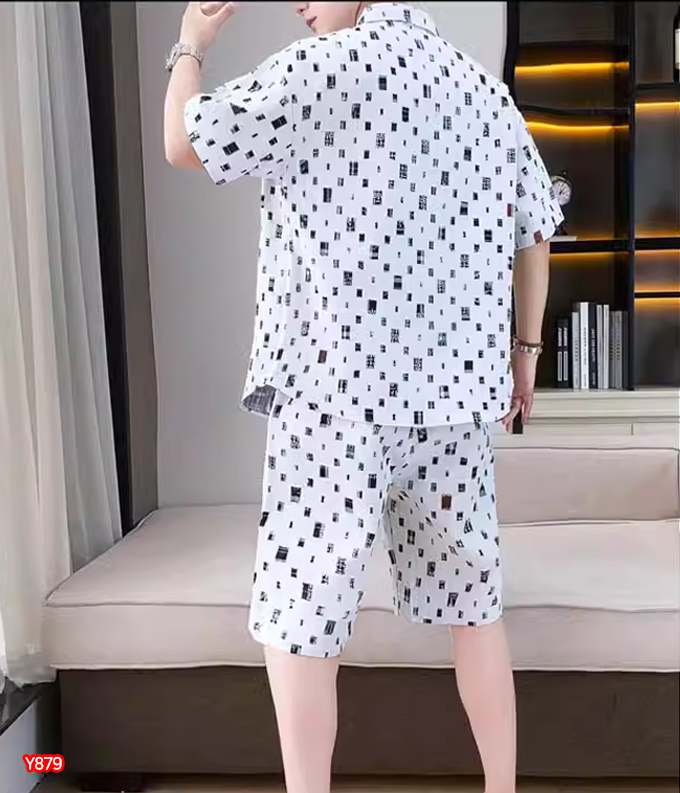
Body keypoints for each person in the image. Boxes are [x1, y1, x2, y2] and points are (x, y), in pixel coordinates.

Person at [164, 3, 563, 792]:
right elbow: (535, 229)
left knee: (301, 617)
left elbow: (184, 140)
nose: (298, 3)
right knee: (476, 605)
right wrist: (524, 355)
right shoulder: (483, 91)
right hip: (453, 401)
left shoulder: (316, 70)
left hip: (333, 395)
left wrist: (190, 45)